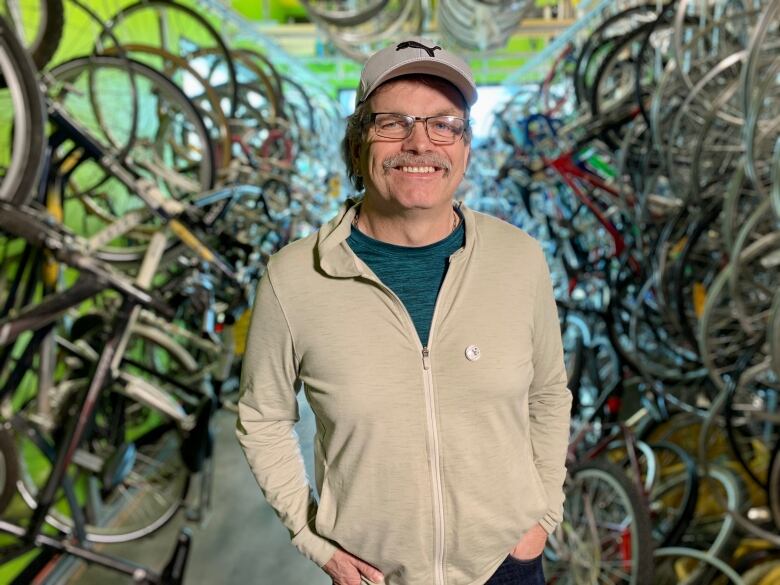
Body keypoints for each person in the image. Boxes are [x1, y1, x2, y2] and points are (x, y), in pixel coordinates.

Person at [236, 37, 572, 585]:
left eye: (444, 124)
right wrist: (310, 536)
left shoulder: (519, 259)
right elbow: (263, 417)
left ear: (464, 147)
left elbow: (548, 393)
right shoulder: (293, 278)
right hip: (372, 574)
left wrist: (541, 514)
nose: (420, 143)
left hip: (506, 565)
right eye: (393, 123)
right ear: (359, 141)